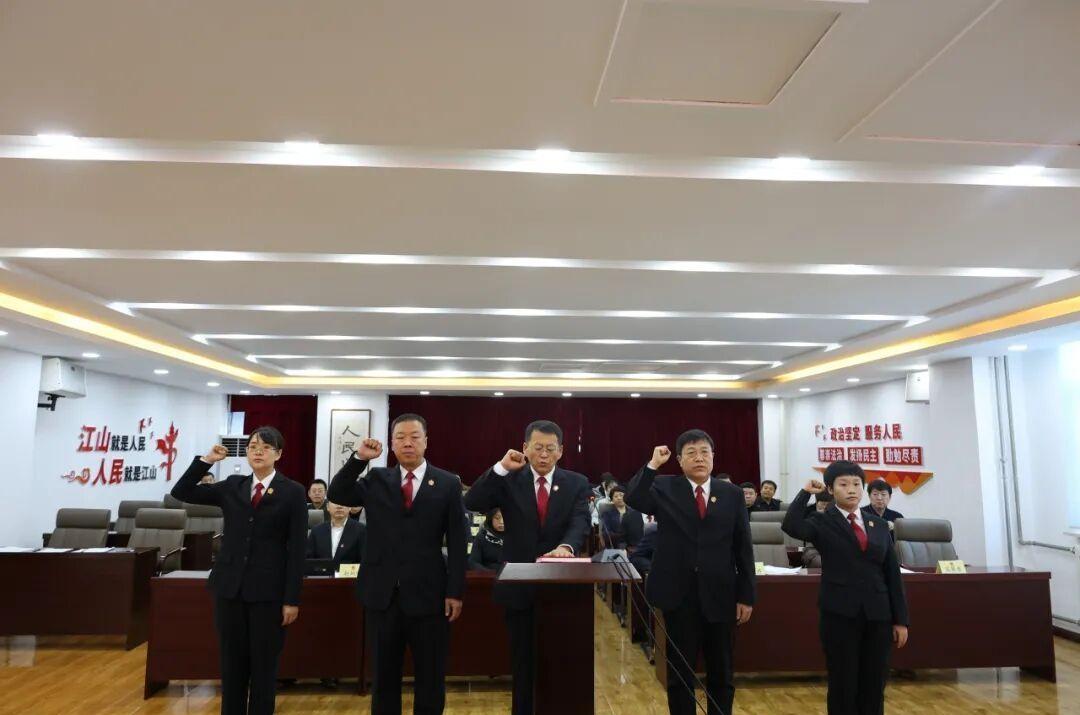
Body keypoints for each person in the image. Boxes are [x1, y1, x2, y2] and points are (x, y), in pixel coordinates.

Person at [327, 413, 467, 715]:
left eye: (414, 437)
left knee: (430, 677)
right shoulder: (376, 480)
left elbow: (458, 541)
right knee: (384, 677)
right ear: (391, 444)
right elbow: (336, 492)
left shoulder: (447, 483)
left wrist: (455, 591)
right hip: (382, 595)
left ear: (426, 441)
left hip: (430, 596)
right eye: (400, 437)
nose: (407, 443)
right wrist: (359, 459)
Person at [171, 426, 307, 715]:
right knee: (231, 666)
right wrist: (207, 460)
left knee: (264, 667)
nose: (258, 452)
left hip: (268, 593)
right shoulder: (233, 486)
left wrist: (292, 599)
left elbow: (297, 549)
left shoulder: (293, 492)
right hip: (229, 589)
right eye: (253, 446)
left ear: (278, 454)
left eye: (266, 447)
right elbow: (181, 491)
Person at [464, 419, 591, 715]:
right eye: (538, 447)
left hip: (561, 589)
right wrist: (501, 468)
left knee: (560, 664)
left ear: (561, 451)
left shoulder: (576, 482)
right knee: (522, 665)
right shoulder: (509, 478)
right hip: (518, 587)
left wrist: (566, 547)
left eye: (550, 448)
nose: (544, 454)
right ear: (525, 448)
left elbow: (580, 521)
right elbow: (473, 501)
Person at [626, 430, 756, 715]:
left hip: (721, 595)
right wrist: (652, 465)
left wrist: (746, 595)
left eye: (704, 452)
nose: (699, 458)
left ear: (713, 457)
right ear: (680, 460)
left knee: (722, 671)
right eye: (691, 453)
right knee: (680, 671)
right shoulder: (665, 487)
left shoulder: (731, 494)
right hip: (678, 595)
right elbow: (634, 498)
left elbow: (743, 547)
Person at [781, 461, 909, 715]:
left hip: (878, 615)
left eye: (856, 484)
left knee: (874, 683)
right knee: (843, 683)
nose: (851, 489)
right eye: (843, 484)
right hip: (840, 615)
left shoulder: (878, 525)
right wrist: (805, 492)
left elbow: (892, 574)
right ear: (830, 489)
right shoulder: (821, 521)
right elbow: (791, 525)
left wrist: (901, 620)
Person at [306, 501, 365, 568]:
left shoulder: (361, 530)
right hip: (323, 573)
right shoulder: (316, 531)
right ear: (328, 507)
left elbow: (364, 561)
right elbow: (309, 560)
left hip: (350, 574)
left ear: (349, 507)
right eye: (335, 502)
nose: (339, 506)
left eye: (343, 503)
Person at [599, 485, 645, 550]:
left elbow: (640, 531)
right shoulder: (607, 514)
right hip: (616, 546)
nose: (619, 498)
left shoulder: (635, 513)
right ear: (612, 499)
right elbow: (606, 534)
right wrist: (621, 535)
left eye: (621, 495)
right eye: (616, 496)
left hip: (633, 545)